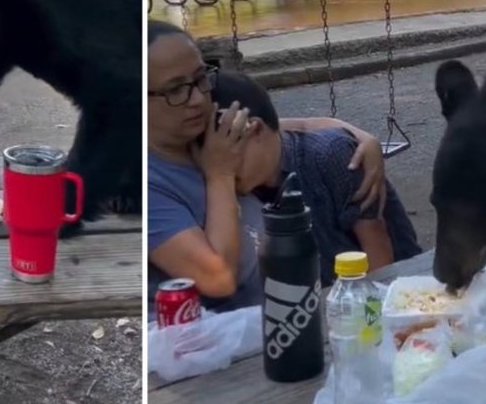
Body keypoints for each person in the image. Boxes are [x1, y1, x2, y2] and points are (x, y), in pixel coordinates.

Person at [146, 20, 389, 319]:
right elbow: (218, 279)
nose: (197, 99)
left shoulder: (201, 133)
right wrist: (220, 175)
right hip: (227, 342)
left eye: (200, 79)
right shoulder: (149, 182)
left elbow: (275, 127)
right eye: (175, 90)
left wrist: (358, 135)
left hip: (291, 314)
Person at [211, 70, 422, 280]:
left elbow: (378, 252)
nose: (219, 167)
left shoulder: (330, 155)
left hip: (395, 288)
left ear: (254, 129)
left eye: (226, 153)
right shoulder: (236, 184)